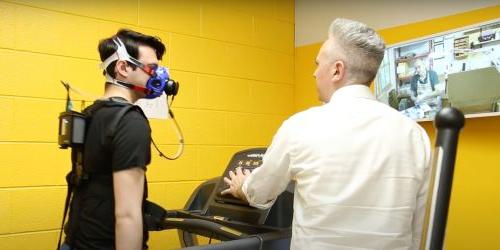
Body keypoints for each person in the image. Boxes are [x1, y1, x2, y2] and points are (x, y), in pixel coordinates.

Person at [222, 18, 431, 250]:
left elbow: (260, 193)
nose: (314, 73)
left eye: (317, 63)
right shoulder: (416, 135)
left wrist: (242, 187)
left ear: (336, 70)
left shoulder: (301, 126)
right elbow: (417, 227)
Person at [62, 29, 166, 250]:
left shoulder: (92, 114)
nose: (158, 76)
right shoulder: (129, 121)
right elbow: (127, 215)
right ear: (123, 67)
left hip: (77, 242)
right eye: (153, 68)